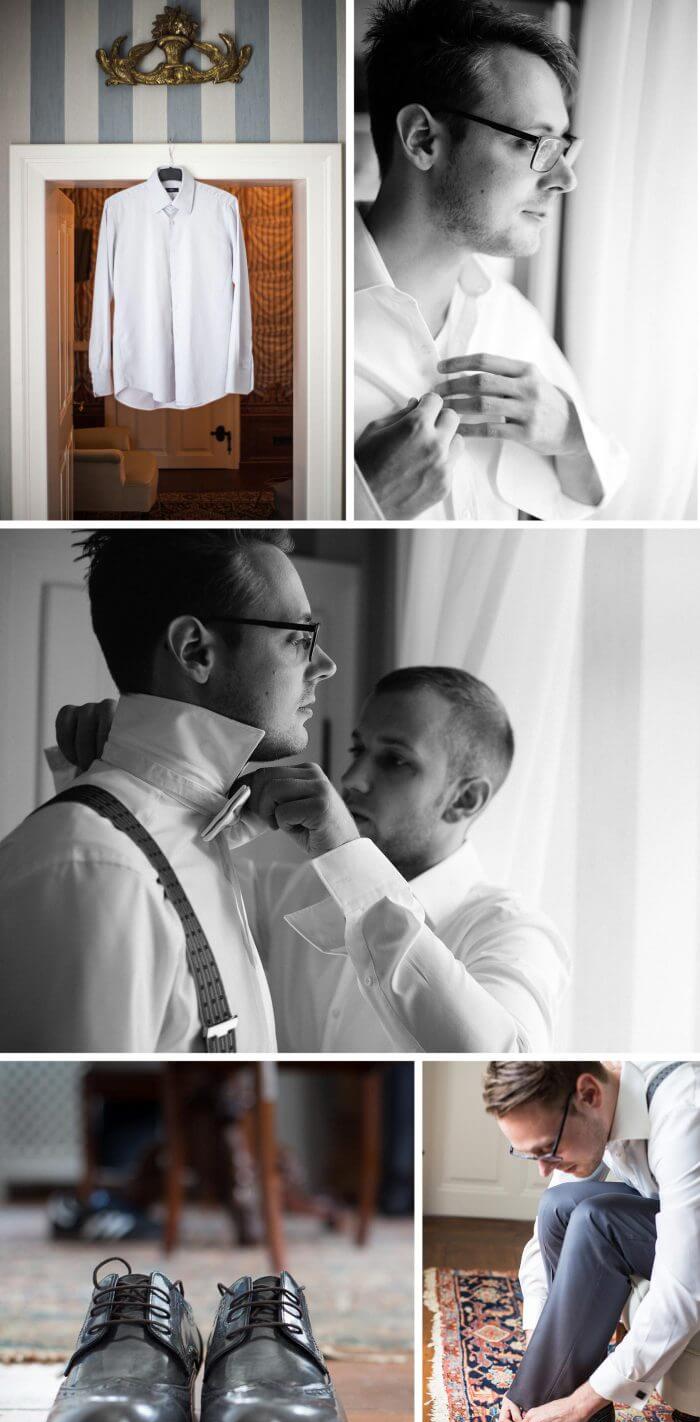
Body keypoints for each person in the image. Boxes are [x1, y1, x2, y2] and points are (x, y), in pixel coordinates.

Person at [52, 665, 570, 1053]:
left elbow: (504, 1063)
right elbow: (143, 881)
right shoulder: (279, 896)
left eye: (394, 760)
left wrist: (349, 858)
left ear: (465, 800)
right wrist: (111, 768)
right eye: (357, 749)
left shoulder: (514, 935)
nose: (352, 779)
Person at [0, 529, 336, 1054]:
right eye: (299, 636)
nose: (324, 665)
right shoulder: (98, 868)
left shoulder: (193, 843)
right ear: (195, 650)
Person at [355, 0, 627, 523]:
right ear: (423, 138)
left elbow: (597, 489)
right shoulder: (275, 321)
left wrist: (568, 433)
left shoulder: (512, 320)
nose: (565, 179)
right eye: (536, 144)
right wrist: (360, 499)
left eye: (563, 148)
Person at [447, 1059, 700, 1422]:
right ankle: (557, 1399)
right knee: (560, 1207)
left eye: (547, 1149)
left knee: (599, 1221)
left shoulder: (685, 1113)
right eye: (530, 1155)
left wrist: (579, 1403)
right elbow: (542, 1236)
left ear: (589, 1093)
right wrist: (540, 1354)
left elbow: (683, 1290)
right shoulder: (602, 1104)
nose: (543, 1168)